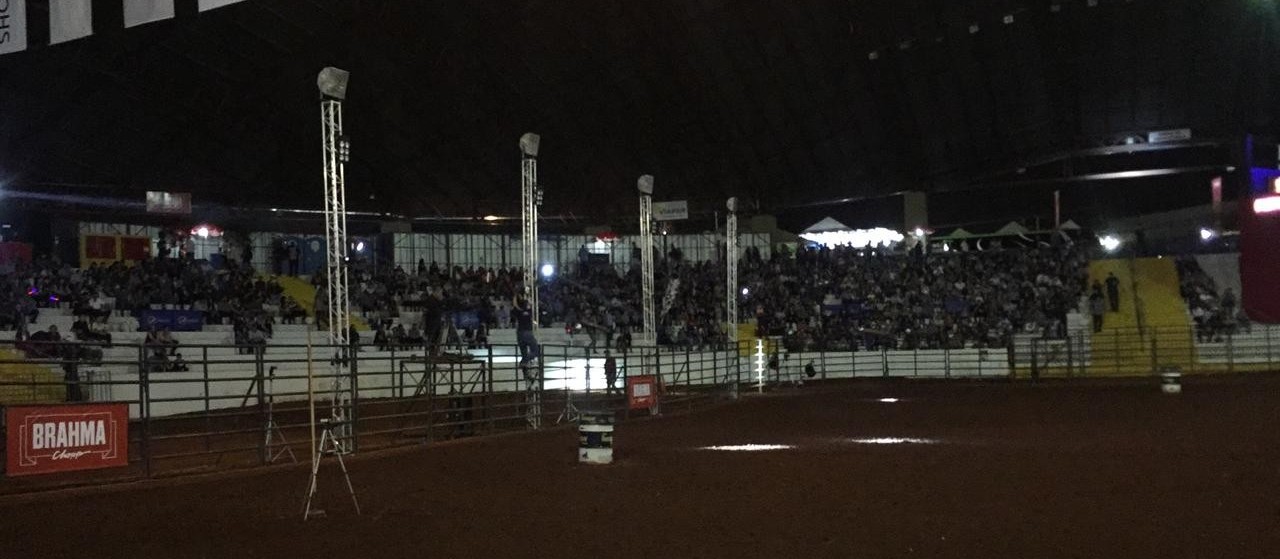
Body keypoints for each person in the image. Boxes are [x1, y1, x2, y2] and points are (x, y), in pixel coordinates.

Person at [512, 295, 538, 379]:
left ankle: (526, 372)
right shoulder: (529, 311)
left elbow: (515, 305)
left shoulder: (518, 312)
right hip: (527, 333)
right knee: (536, 351)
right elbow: (531, 305)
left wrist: (515, 297)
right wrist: (528, 299)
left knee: (524, 352)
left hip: (519, 333)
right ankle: (524, 361)